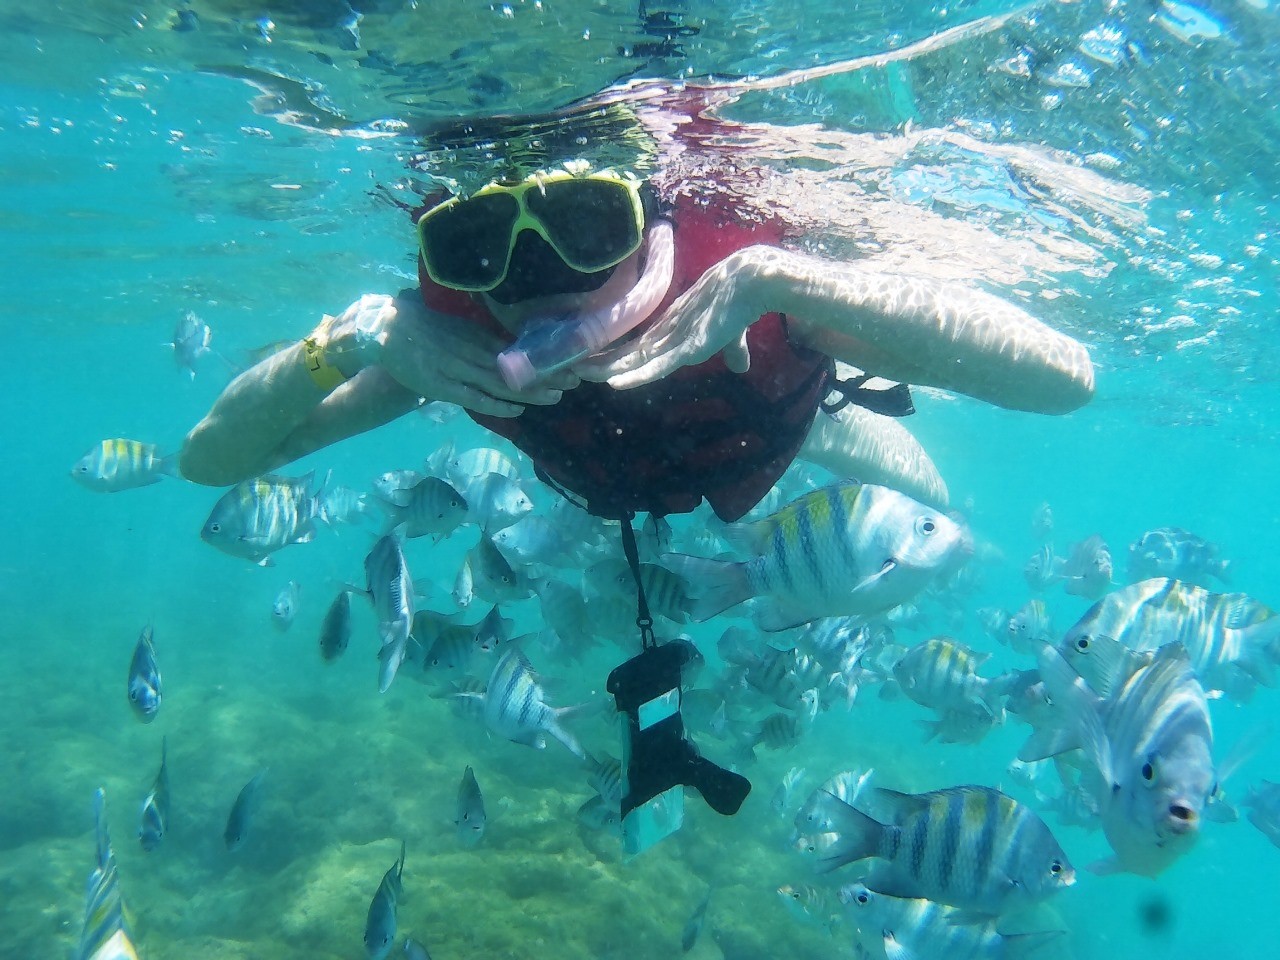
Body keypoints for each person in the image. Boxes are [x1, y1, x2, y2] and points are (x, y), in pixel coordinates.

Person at [179, 96, 1094, 522]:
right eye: (478, 245)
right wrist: (347, 342)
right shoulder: (449, 344)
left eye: (585, 225)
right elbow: (212, 462)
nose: (540, 280)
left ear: (651, 216)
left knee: (860, 451)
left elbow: (1064, 381)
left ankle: (844, 425)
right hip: (615, 478)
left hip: (780, 423)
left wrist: (781, 283)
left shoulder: (755, 295)